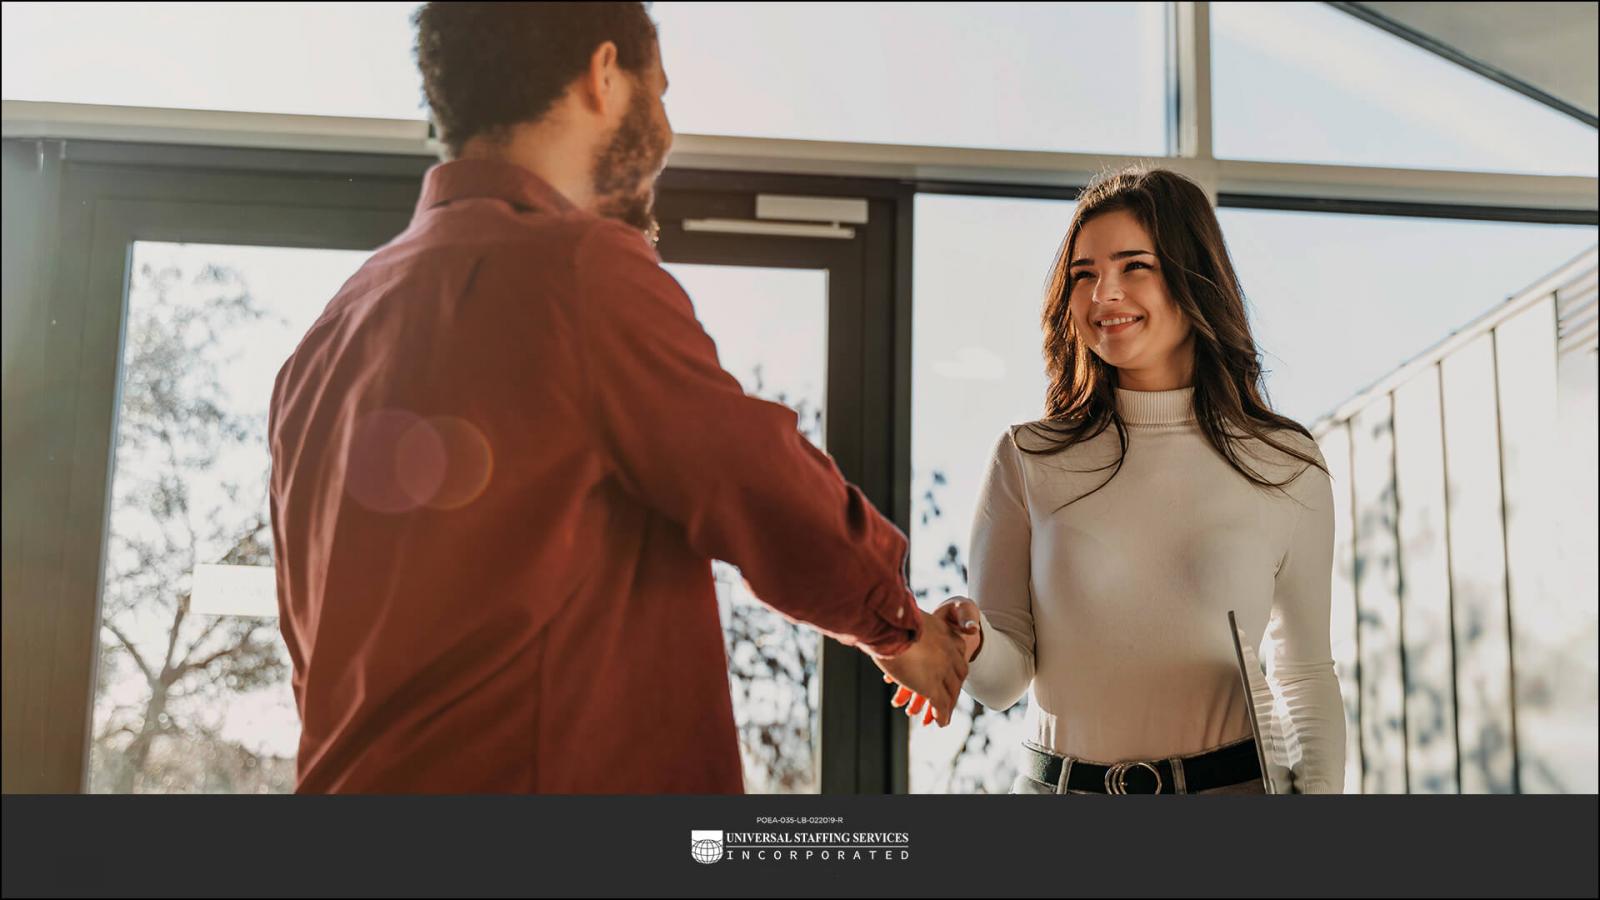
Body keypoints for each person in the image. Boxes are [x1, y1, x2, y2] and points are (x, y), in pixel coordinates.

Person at [268, 1, 969, 794]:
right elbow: (759, 481)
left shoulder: (324, 342)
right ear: (604, 75)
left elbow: (314, 655)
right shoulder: (576, 269)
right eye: (660, 92)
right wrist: (900, 626)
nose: (665, 129)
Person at [894, 167, 1347, 794]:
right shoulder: (1027, 458)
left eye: (1134, 266)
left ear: (1195, 279)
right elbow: (1003, 681)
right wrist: (964, 642)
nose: (1103, 293)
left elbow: (1303, 673)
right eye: (1083, 274)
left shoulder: (1283, 460)